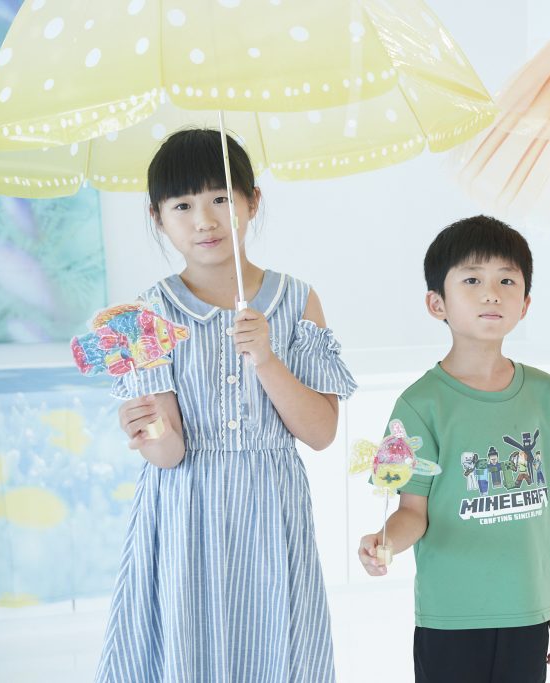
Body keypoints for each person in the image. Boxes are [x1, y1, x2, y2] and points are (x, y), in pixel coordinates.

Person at [95, 129, 356, 682]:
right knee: (191, 651)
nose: (204, 220)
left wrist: (266, 358)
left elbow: (321, 432)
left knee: (273, 646)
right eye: (183, 205)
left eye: (220, 198)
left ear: (251, 201)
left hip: (268, 507)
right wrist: (148, 428)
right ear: (157, 216)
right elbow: (169, 455)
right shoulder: (149, 313)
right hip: (187, 510)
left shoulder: (297, 299)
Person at [358, 216, 550, 683]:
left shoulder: (544, 393)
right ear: (436, 303)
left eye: (507, 280)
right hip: (451, 617)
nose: (491, 293)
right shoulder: (419, 403)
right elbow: (412, 512)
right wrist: (387, 541)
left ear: (524, 304)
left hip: (527, 612)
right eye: (472, 279)